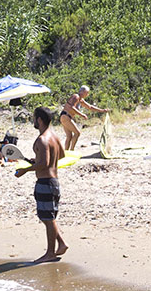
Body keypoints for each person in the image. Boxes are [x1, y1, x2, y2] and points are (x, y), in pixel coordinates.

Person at [16, 107, 68, 263]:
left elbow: (44, 164)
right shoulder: (54, 137)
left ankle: (50, 253)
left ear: (39, 120)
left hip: (45, 182)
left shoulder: (42, 139)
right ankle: (61, 243)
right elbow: (61, 155)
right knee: (48, 217)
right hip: (54, 182)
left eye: (34, 118)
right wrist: (36, 160)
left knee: (48, 218)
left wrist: (25, 170)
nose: (33, 121)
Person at [60, 85, 110, 151]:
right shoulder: (76, 97)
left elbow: (90, 107)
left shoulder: (81, 100)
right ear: (82, 92)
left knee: (69, 136)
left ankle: (66, 152)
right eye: (87, 93)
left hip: (66, 117)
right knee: (77, 133)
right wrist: (82, 115)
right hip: (66, 116)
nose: (87, 94)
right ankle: (72, 150)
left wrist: (102, 110)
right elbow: (71, 107)